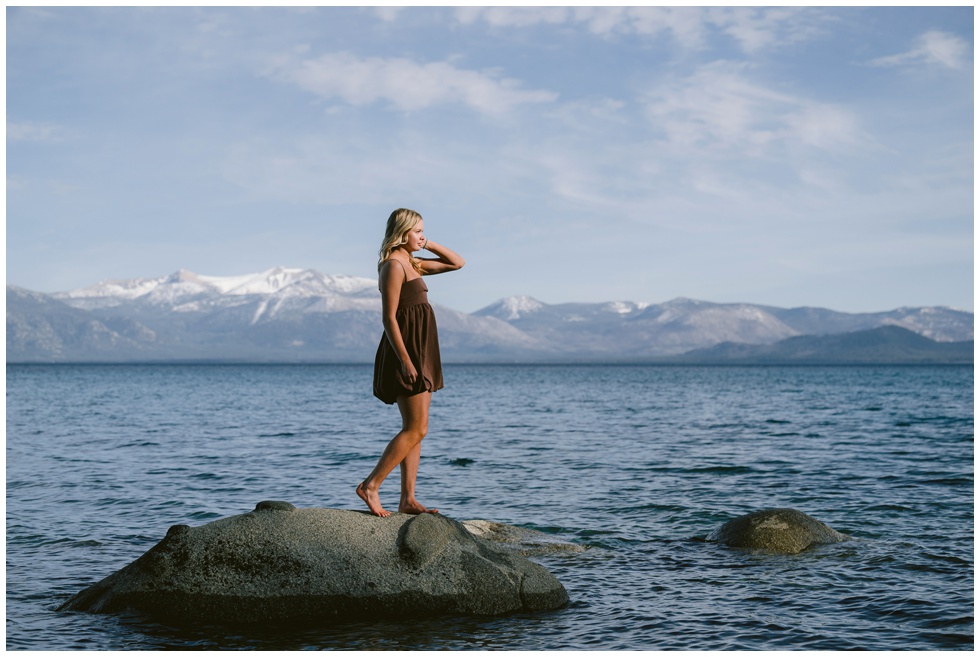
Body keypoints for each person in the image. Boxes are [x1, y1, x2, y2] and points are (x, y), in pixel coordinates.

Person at [356, 208, 465, 517]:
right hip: (406, 351)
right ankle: (370, 486)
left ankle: (408, 499)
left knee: (417, 428)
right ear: (402, 232)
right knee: (416, 428)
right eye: (417, 231)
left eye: (423, 231)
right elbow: (388, 318)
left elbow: (458, 262)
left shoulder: (412, 263)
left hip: (422, 349)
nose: (421, 235)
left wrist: (426, 242)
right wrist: (405, 360)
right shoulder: (393, 265)